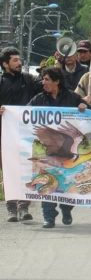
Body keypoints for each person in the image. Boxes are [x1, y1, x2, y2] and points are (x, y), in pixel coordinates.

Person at [28, 67, 89, 228]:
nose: (43, 82)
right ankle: (48, 216)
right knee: (47, 183)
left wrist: (84, 106)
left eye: (47, 79)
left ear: (57, 81)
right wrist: (7, 112)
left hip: (68, 154)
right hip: (49, 153)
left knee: (67, 183)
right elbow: (23, 114)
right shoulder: (38, 99)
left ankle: (66, 208)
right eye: (43, 79)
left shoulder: (72, 97)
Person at [0, 47, 42, 222]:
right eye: (15, 60)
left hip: (26, 133)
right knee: (9, 169)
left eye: (20, 59)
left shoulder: (29, 80)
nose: (19, 63)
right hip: (4, 133)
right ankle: (11, 208)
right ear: (5, 64)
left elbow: (48, 89)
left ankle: (24, 207)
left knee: (27, 167)